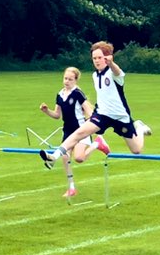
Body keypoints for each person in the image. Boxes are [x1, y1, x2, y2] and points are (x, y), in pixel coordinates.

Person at [39, 41, 151, 169]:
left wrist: (111, 63)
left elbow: (118, 72)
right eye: (94, 58)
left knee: (136, 150)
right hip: (102, 115)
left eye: (100, 58)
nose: (97, 61)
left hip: (120, 117)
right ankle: (53, 156)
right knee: (78, 133)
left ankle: (140, 129)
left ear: (107, 57)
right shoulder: (94, 75)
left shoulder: (113, 73)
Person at [38, 66, 110, 198]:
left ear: (76, 80)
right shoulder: (59, 95)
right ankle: (71, 188)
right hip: (67, 131)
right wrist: (46, 110)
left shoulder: (78, 93)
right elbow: (57, 115)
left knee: (79, 158)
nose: (67, 81)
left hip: (81, 129)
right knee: (65, 157)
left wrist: (92, 125)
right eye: (65, 78)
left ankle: (96, 144)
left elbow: (88, 110)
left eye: (70, 79)